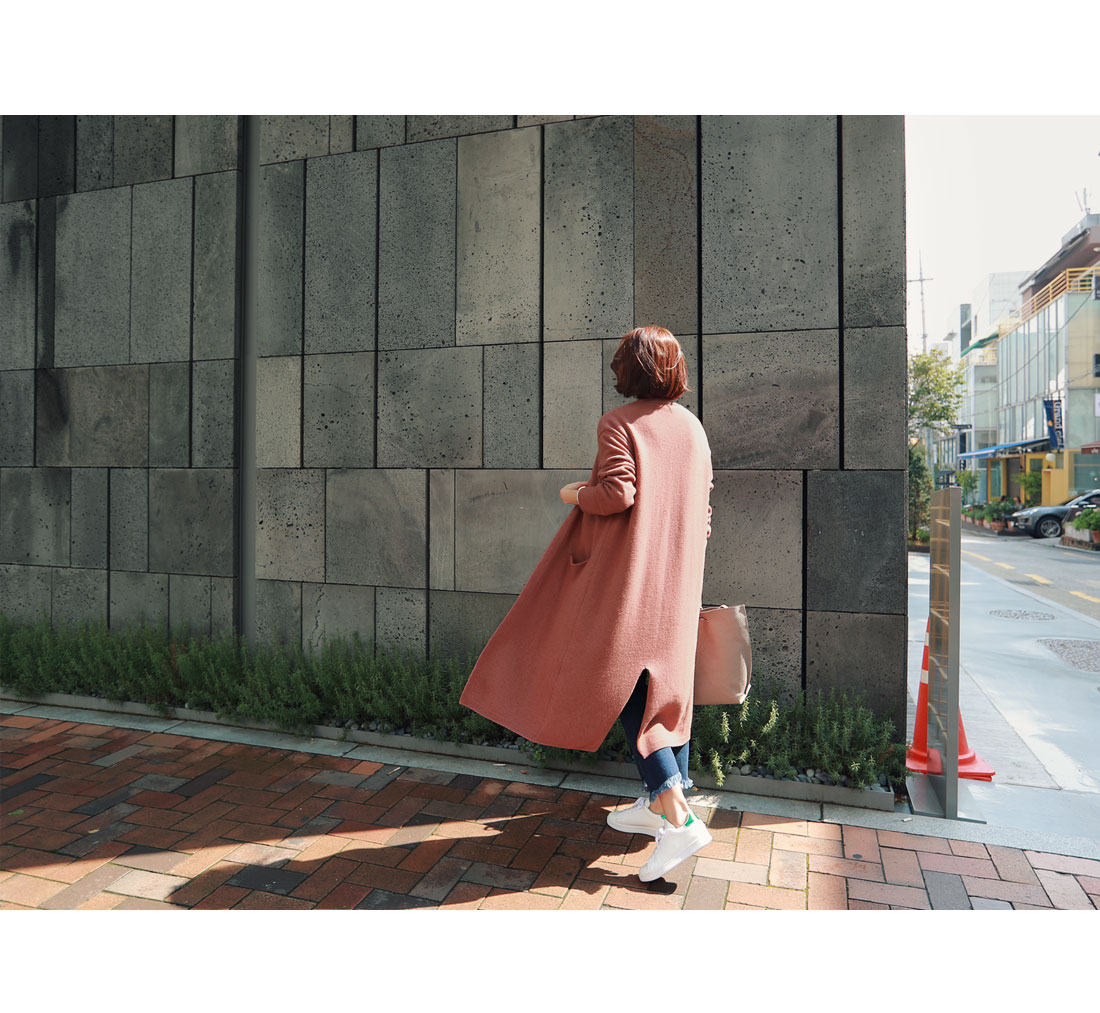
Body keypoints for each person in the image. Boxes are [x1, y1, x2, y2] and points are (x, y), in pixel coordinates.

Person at [459, 325, 715, 882]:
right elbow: (703, 512)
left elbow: (618, 495)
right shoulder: (693, 429)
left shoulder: (619, 423)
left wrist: (575, 492)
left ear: (633, 369)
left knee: (625, 691)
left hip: (628, 583)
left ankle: (677, 817)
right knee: (668, 696)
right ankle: (659, 805)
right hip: (678, 582)